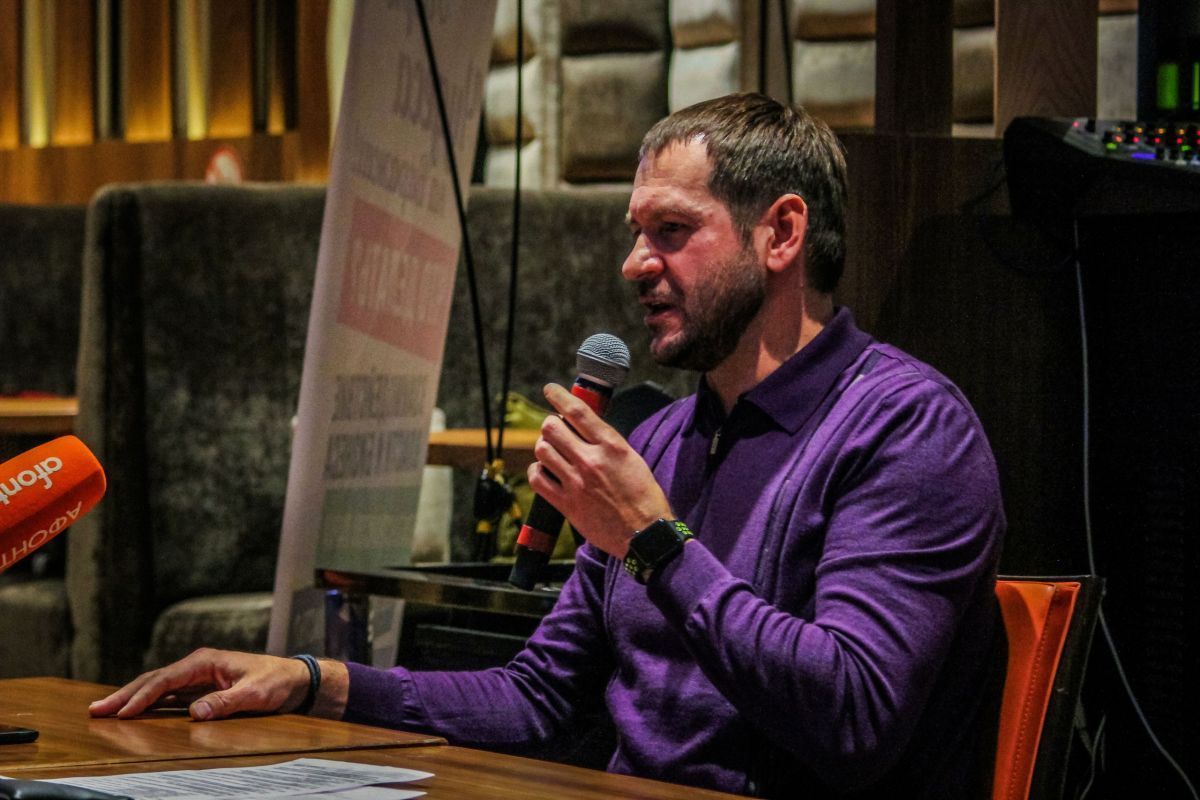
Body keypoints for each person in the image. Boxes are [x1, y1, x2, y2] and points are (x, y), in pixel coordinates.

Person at [90, 93, 1005, 798]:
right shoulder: (662, 438)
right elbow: (540, 698)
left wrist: (654, 541)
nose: (635, 263)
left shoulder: (906, 427)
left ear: (782, 233)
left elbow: (854, 717)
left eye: (672, 231)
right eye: (636, 233)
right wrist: (315, 681)